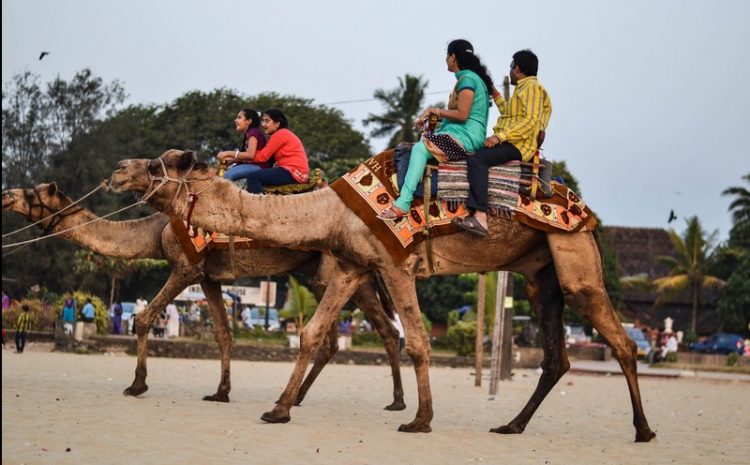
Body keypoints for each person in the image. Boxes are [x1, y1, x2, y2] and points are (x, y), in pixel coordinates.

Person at [379, 39, 493, 220]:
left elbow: (463, 114)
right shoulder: (472, 78)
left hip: (465, 138)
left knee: (419, 148)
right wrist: (432, 121)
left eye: (447, 55)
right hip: (464, 135)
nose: (446, 59)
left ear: (453, 57)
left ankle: (403, 202)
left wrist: (435, 110)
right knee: (424, 140)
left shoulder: (468, 79)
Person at [454, 49, 552, 236]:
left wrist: (499, 137)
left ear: (517, 68)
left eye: (511, 66)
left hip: (517, 145)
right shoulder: (523, 89)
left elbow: (530, 121)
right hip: (513, 142)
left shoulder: (531, 89)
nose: (509, 70)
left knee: (477, 160)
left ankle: (480, 216)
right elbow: (510, 114)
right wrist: (495, 93)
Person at [242, 109, 310, 193]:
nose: (263, 125)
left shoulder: (280, 134)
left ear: (277, 124)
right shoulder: (282, 134)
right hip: (295, 171)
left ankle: (261, 205)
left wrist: (241, 155)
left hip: (292, 171)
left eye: (267, 121)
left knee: (253, 177)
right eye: (263, 121)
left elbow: (263, 157)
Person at [216, 108, 268, 182]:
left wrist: (228, 153)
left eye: (239, 117)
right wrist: (230, 161)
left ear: (249, 121)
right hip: (253, 165)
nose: (235, 120)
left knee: (227, 176)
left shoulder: (253, 133)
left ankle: (222, 189)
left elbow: (250, 155)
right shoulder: (250, 133)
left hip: (259, 166)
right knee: (220, 172)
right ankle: (217, 181)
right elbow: (246, 157)